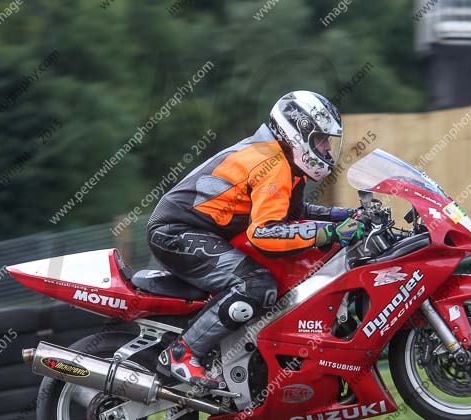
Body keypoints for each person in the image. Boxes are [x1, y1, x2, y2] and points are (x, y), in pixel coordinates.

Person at [147, 90, 365, 389]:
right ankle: (182, 354)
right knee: (257, 285)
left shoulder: (279, 158)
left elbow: (296, 211)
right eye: (320, 139)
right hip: (176, 232)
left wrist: (344, 215)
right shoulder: (272, 163)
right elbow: (264, 233)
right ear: (297, 133)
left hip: (197, 230)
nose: (327, 148)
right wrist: (327, 233)